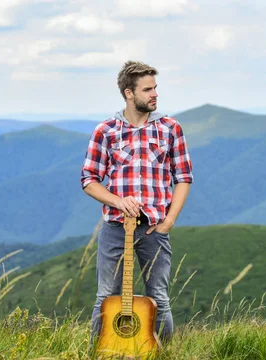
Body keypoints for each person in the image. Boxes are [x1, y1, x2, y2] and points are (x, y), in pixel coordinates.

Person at [80, 60, 194, 346]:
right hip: (116, 227)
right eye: (147, 89)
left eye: (155, 88)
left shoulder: (170, 129)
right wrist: (118, 201)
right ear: (129, 93)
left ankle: (162, 352)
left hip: (155, 228)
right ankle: (101, 351)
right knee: (107, 297)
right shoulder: (106, 130)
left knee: (158, 298)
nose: (154, 94)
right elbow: (89, 180)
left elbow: (184, 177)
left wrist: (169, 222)